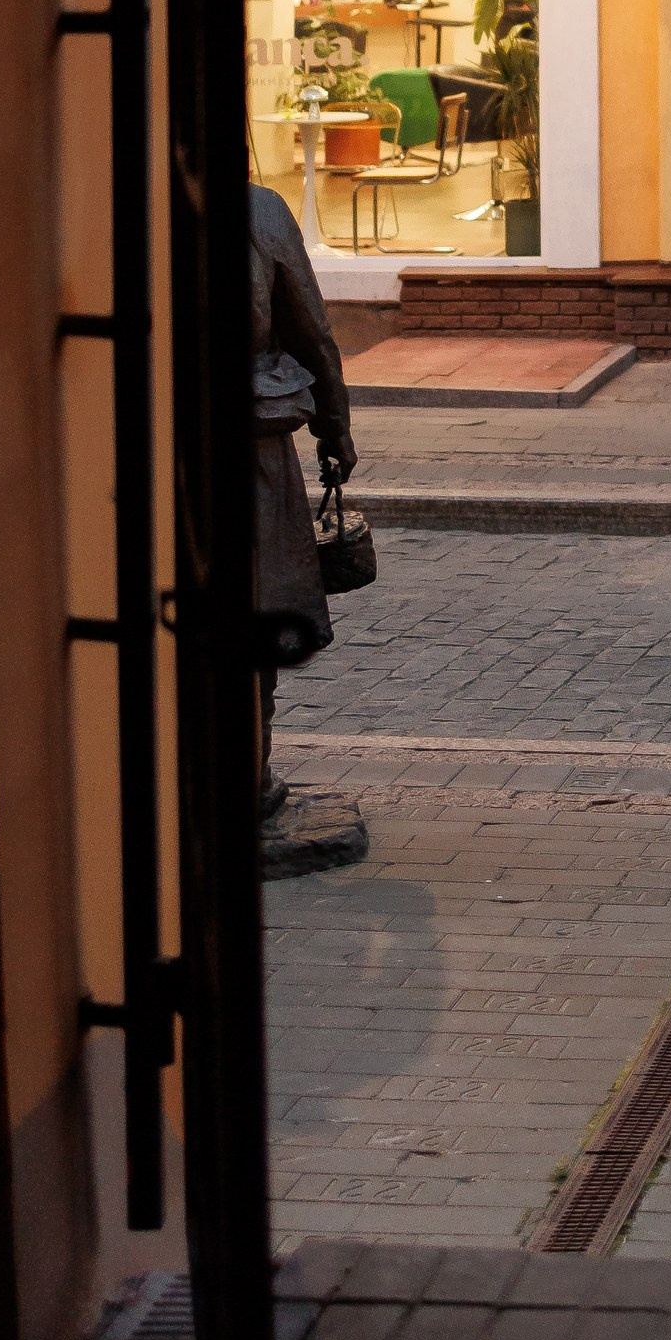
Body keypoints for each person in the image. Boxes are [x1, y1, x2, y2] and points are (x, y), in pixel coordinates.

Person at [250, 177, 365, 871]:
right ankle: (250, 785)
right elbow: (310, 329)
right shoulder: (259, 210)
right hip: (255, 457)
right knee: (259, 618)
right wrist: (335, 430)